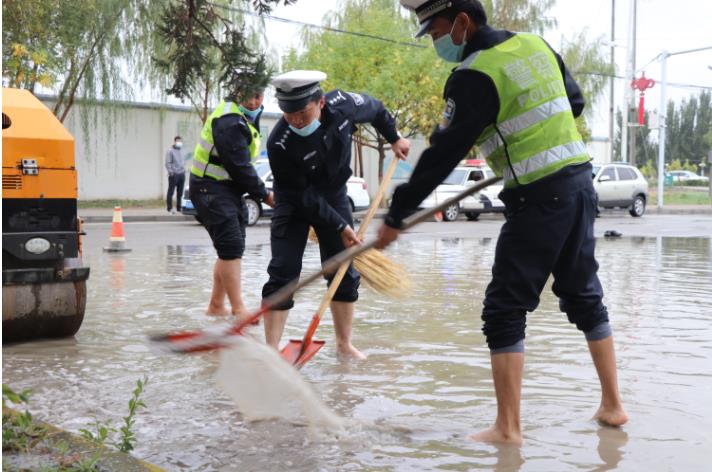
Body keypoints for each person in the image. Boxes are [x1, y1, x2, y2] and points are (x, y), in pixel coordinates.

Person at [377, 0, 628, 444]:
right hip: (580, 183)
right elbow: (575, 102)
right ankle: (613, 406)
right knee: (583, 295)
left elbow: (443, 153)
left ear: (462, 22)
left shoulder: (473, 74)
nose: (435, 42)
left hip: (539, 196)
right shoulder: (534, 44)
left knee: (504, 310)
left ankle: (507, 429)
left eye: (435, 32)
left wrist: (397, 215)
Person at [262, 70, 411, 360]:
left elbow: (378, 109)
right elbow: (300, 196)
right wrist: (340, 224)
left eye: (302, 114)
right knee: (283, 271)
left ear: (320, 102)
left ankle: (344, 344)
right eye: (288, 114)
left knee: (342, 269)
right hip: (294, 202)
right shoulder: (279, 143)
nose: (295, 121)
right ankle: (270, 353)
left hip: (334, 193)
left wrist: (394, 138)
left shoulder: (344, 105)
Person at [190, 89, 274, 320]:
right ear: (238, 91)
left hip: (227, 189)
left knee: (230, 249)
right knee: (231, 248)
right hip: (210, 188)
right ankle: (239, 310)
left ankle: (216, 305)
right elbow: (239, 166)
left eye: (259, 96)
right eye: (250, 95)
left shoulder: (244, 118)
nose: (255, 101)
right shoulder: (229, 120)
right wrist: (265, 195)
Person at [165, 136, 186, 214]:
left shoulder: (182, 150)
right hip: (174, 174)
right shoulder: (170, 151)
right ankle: (169, 208)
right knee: (171, 192)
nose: (179, 143)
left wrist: (184, 170)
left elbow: (183, 161)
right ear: (174, 141)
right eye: (178, 141)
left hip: (182, 174)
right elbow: (167, 163)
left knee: (180, 193)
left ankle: (178, 207)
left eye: (180, 141)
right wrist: (171, 172)